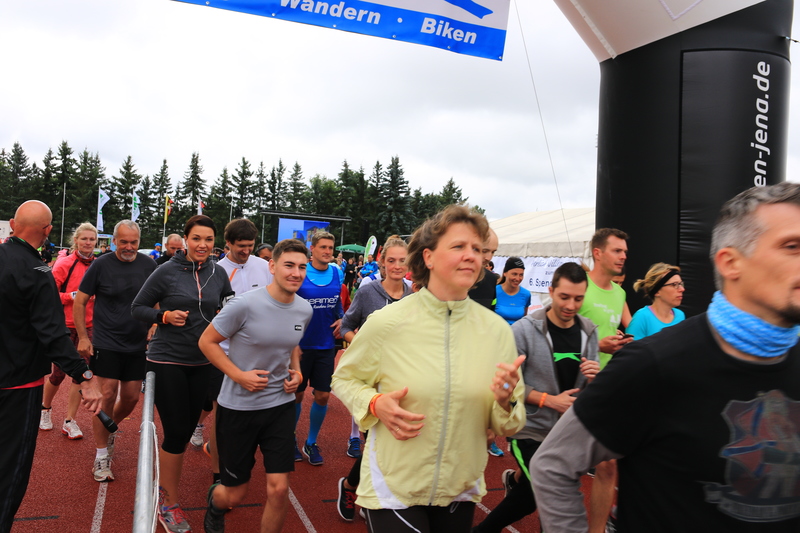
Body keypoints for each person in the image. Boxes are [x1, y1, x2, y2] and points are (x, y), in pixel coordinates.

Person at [532, 183, 800, 532]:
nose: (680, 289)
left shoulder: (628, 300)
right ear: (731, 263)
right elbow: (553, 465)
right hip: (593, 383)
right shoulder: (652, 364)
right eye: (791, 246)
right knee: (603, 465)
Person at [331, 204, 526, 532]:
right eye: (458, 246)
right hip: (394, 485)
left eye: (477, 248)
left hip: (459, 486)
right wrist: (375, 403)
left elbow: (510, 423)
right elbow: (344, 378)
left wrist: (506, 402)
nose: (471, 255)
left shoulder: (497, 332)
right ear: (429, 256)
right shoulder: (387, 322)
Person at [472, 262, 599, 533]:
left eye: (578, 299)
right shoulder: (523, 330)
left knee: (534, 495)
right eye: (564, 297)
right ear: (551, 291)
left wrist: (594, 378)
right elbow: (508, 383)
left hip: (567, 433)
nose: (571, 305)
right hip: (530, 430)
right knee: (550, 492)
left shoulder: (589, 330)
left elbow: (590, 389)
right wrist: (548, 400)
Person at [0, 201, 102, 532]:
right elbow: (52, 334)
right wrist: (84, 375)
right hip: (19, 383)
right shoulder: (39, 271)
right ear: (47, 231)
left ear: (13, 224)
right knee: (10, 468)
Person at [198, 238, 313, 533]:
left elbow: (291, 344)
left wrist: (297, 372)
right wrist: (239, 375)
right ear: (272, 266)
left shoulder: (304, 309)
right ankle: (215, 503)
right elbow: (206, 342)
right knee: (234, 494)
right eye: (289, 265)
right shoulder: (244, 304)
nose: (296, 273)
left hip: (280, 406)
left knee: (279, 488)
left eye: (302, 267)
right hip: (238, 408)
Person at [131, 215, 232, 533]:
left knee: (186, 433)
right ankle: (168, 502)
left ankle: (165, 491)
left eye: (208, 239)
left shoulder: (218, 272)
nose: (203, 244)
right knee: (175, 433)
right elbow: (137, 308)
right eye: (197, 238)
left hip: (202, 363)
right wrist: (163, 316)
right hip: (167, 361)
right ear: (186, 240)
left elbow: (228, 307)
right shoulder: (166, 271)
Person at [336, 236, 413, 521]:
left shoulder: (415, 296)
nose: (397, 266)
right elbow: (346, 326)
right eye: (391, 260)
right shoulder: (368, 292)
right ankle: (353, 487)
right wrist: (362, 346)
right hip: (372, 381)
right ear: (381, 263)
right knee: (375, 442)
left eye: (402, 260)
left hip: (404, 378)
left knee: (396, 443)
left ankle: (372, 494)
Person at [74, 220, 157, 483]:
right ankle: (101, 455)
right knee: (107, 394)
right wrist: (84, 337)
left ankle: (109, 429)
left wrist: (155, 323)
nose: (129, 247)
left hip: (137, 344)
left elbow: (158, 298)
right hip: (107, 342)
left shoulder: (149, 265)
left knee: (131, 398)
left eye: (134, 242)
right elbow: (80, 301)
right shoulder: (101, 265)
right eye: (123, 242)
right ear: (114, 242)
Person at [195, 219, 273, 482]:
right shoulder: (215, 271)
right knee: (222, 414)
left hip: (257, 352)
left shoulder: (264, 266)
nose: (246, 251)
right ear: (227, 243)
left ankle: (231, 457)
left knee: (250, 413)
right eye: (241, 246)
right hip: (223, 351)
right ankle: (218, 475)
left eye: (250, 245)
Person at [577, 228, 633, 533]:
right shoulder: (579, 286)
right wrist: (598, 345)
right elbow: (555, 335)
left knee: (608, 464)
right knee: (557, 463)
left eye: (625, 252)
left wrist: (624, 342)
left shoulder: (620, 293)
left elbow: (623, 328)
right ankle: (518, 480)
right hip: (572, 386)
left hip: (607, 386)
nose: (624, 256)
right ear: (597, 253)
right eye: (617, 251)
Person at [40, 222, 98, 439]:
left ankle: (70, 420)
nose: (88, 243)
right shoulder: (65, 263)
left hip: (89, 326)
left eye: (91, 239)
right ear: (76, 240)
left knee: (81, 375)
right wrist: (71, 296)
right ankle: (45, 408)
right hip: (64, 326)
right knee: (58, 374)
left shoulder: (98, 265)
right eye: (84, 239)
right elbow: (49, 294)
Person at [294, 231, 343, 466]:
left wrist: (342, 318)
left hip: (326, 344)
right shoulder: (301, 272)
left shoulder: (336, 272)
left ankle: (311, 442)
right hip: (300, 346)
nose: (327, 251)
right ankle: (290, 438)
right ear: (311, 249)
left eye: (330, 248)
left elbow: (337, 303)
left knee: (323, 395)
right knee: (296, 394)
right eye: (323, 247)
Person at [627, 263, 686, 339]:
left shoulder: (680, 316)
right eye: (674, 284)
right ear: (657, 291)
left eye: (681, 284)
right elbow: (631, 346)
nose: (682, 289)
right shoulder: (641, 318)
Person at [468, 228, 499, 310]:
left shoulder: (491, 279)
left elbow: (491, 310)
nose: (489, 258)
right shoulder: (447, 276)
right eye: (484, 251)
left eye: (493, 252)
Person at [495, 257, 531, 325]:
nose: (518, 279)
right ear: (505, 273)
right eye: (514, 274)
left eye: (521, 275)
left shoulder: (526, 294)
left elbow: (524, 320)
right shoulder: (494, 291)